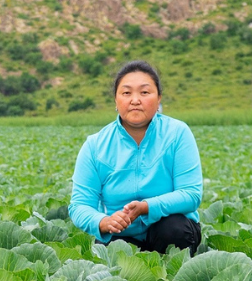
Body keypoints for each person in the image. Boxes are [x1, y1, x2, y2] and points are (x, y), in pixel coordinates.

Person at [69, 60, 203, 255]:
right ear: (115, 101)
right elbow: (80, 205)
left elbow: (191, 194)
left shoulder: (177, 133)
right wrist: (104, 222)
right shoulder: (95, 145)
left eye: (145, 92)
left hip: (169, 231)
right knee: (111, 255)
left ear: (159, 100)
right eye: (126, 93)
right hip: (121, 234)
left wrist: (147, 207)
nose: (135, 100)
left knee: (173, 229)